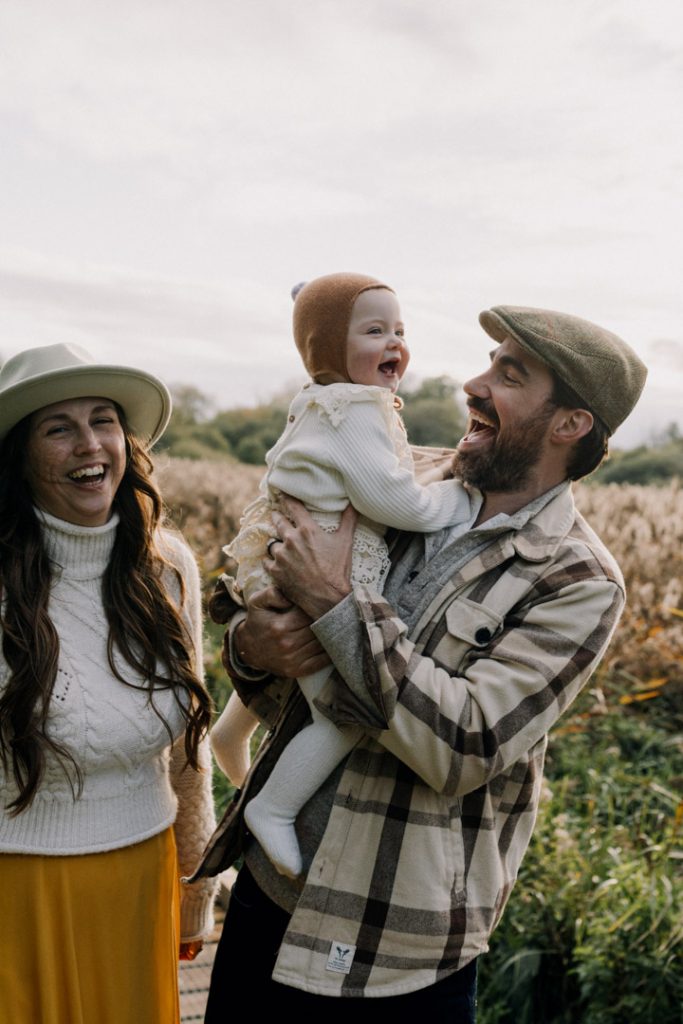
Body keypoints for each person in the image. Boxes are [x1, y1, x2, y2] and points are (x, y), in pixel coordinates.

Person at [194, 304, 647, 1022]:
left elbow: (464, 744)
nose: (473, 383)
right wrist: (250, 647)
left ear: (568, 424)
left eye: (509, 374)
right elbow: (261, 604)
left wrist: (338, 603)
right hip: (272, 896)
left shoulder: (576, 580)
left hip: (393, 948)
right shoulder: (397, 482)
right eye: (488, 361)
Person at [210, 272, 472, 879]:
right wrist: (458, 501)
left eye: (401, 330)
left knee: (295, 664)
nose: (395, 343)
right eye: (374, 330)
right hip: (321, 563)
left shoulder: (325, 402)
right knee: (339, 711)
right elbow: (396, 501)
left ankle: (229, 733)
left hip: (282, 557)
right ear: (327, 349)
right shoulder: (353, 412)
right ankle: (272, 807)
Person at [0, 343, 217, 1024]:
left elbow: (190, 746)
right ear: (19, 457)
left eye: (103, 421)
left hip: (141, 875)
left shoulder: (168, 567)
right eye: (57, 427)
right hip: (17, 884)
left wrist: (197, 885)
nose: (90, 445)